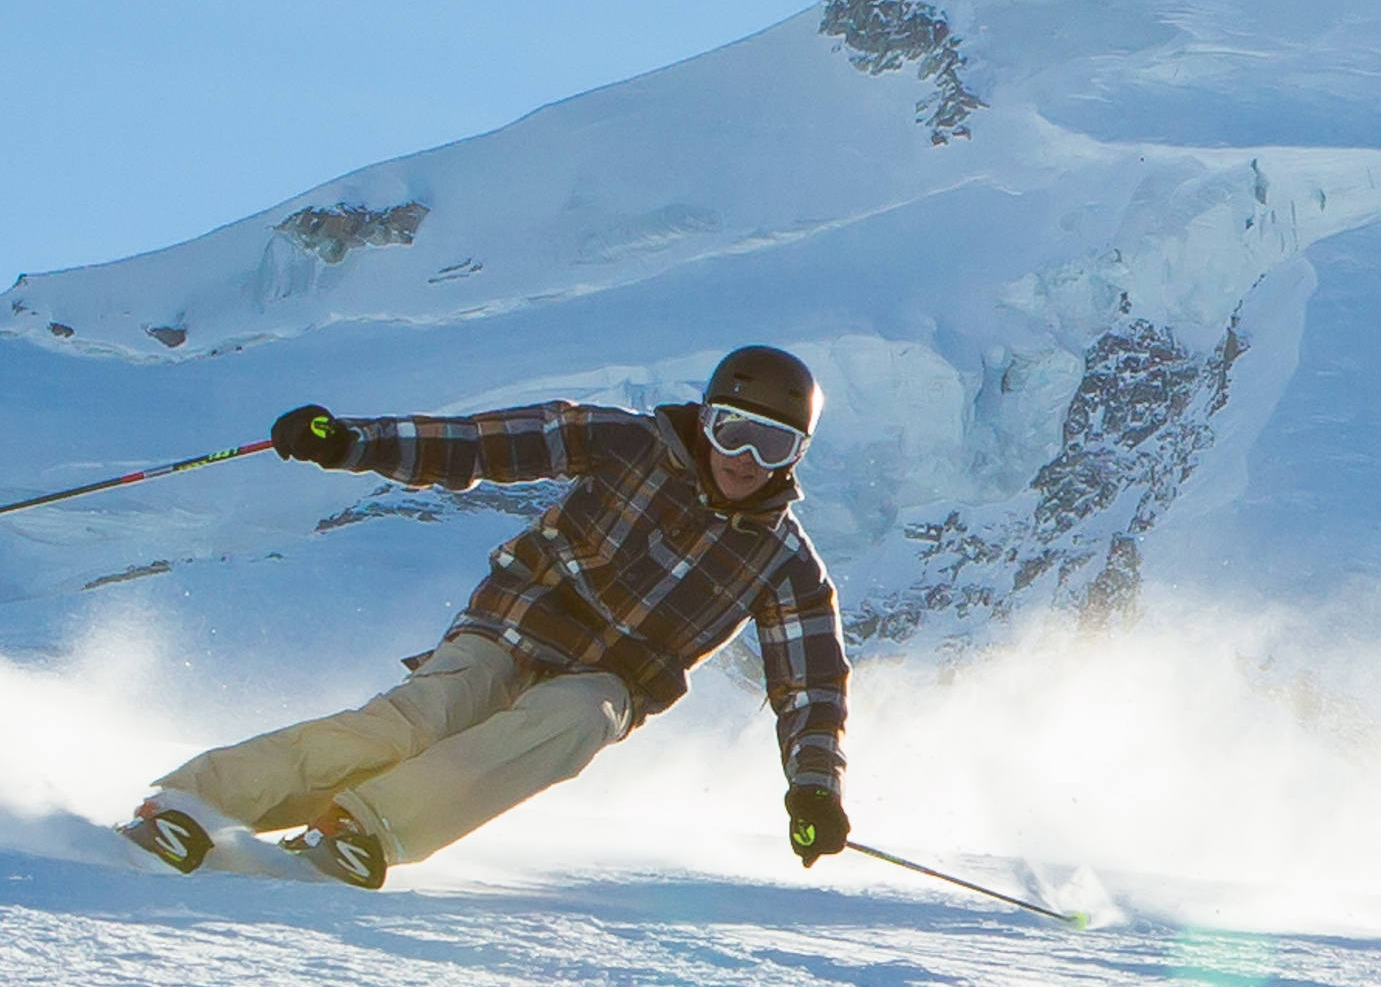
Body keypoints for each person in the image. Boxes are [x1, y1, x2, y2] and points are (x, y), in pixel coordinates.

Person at [120, 345, 853, 891]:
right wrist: (351, 442)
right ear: (706, 420)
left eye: (774, 444)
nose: (747, 459)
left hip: (609, 678)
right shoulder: (628, 442)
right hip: (517, 622)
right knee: (417, 721)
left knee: (574, 722)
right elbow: (483, 445)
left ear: (797, 457)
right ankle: (193, 800)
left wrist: (814, 788)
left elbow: (811, 688)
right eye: (733, 431)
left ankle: (363, 827)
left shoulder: (783, 562)